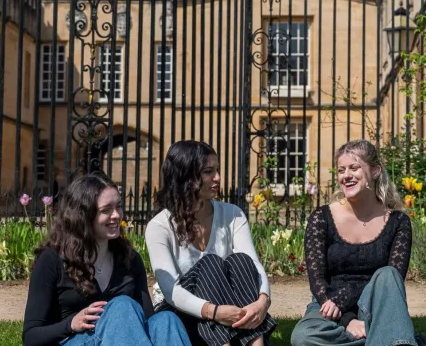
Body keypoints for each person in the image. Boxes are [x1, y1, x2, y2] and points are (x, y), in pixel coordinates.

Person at [23, 173, 189, 346]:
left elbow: (148, 322)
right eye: (106, 210)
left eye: (118, 207)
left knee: (166, 320)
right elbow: (31, 337)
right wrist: (70, 324)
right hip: (73, 340)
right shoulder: (52, 260)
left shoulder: (129, 259)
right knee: (122, 306)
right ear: (83, 216)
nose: (117, 215)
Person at [147, 141, 276, 346]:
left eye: (217, 170)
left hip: (230, 312)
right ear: (185, 176)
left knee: (241, 261)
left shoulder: (232, 214)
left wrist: (262, 300)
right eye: (209, 172)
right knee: (210, 264)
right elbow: (172, 291)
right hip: (180, 312)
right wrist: (213, 311)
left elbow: (253, 264)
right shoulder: (159, 226)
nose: (217, 178)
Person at [290, 139, 415, 346]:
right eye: (341, 170)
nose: (346, 175)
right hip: (330, 306)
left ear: (375, 171)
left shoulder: (398, 222)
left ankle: (383, 334)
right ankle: (387, 338)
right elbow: (317, 281)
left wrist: (347, 298)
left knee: (386, 274)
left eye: (354, 168)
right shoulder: (321, 218)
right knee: (304, 337)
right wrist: (347, 320)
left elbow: (393, 282)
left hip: (378, 305)